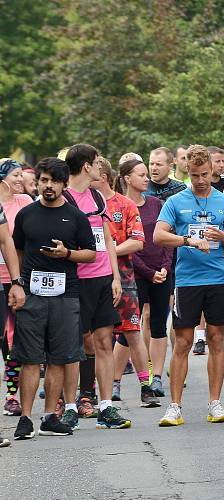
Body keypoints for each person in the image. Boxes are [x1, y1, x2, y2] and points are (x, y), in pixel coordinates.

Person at [154, 144, 224, 426]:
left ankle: (215, 403)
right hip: (187, 280)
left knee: (216, 338)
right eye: (194, 175)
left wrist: (223, 237)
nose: (200, 180)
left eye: (204, 174)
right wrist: (187, 240)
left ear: (213, 170)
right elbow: (158, 236)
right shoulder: (176, 201)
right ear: (186, 172)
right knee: (183, 342)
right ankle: (174, 406)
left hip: (217, 279)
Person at [13, 157, 90, 440]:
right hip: (32, 294)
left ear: (63, 184)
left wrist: (67, 254)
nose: (48, 186)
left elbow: (91, 253)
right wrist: (18, 283)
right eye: (43, 180)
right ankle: (25, 418)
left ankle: (49, 417)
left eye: (54, 181)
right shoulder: (26, 215)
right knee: (30, 359)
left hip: (65, 295)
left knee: (59, 358)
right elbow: (17, 251)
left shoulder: (76, 216)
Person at [62, 144, 130, 430]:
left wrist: (115, 277)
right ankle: (69, 406)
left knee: (104, 342)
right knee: (73, 346)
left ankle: (106, 406)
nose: (100, 165)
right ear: (86, 166)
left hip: (103, 279)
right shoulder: (65, 198)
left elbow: (108, 240)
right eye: (96, 161)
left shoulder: (97, 197)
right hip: (77, 279)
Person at [94, 158, 159, 408]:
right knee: (96, 336)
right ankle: (96, 391)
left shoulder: (125, 204)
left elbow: (138, 241)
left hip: (124, 276)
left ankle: (146, 386)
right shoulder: (84, 204)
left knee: (132, 332)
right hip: (93, 278)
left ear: (104, 177)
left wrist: (109, 252)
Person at [123, 159, 172, 397]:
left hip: (162, 273)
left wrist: (164, 267)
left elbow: (167, 237)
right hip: (136, 274)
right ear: (127, 179)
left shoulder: (156, 203)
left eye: (146, 175)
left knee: (159, 325)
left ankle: (157, 377)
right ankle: (114, 381)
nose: (146, 178)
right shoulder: (122, 206)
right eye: (141, 175)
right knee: (130, 327)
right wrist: (148, 273)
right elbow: (129, 247)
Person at [0, 159, 32, 417]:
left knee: (16, 338)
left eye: (22, 175)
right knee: (5, 339)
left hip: (16, 279)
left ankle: (13, 394)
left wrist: (18, 279)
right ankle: (11, 391)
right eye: (15, 175)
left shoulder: (25, 203)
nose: (20, 180)